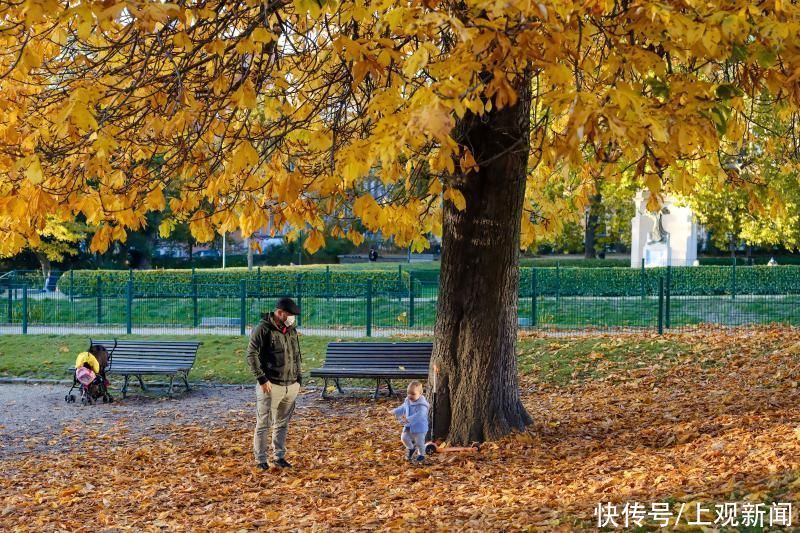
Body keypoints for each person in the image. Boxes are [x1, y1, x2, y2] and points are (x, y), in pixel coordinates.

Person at [246, 297, 302, 470]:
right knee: (264, 424)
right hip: (271, 385)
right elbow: (251, 354)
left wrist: (299, 379)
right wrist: (261, 378)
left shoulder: (291, 329)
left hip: (291, 384)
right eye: (290, 314)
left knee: (282, 424)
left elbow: (296, 353)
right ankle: (261, 460)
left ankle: (279, 456)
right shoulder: (263, 329)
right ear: (280, 313)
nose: (292, 318)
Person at [390, 381, 430, 463]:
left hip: (420, 427)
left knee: (419, 442)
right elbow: (403, 408)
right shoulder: (408, 400)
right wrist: (395, 411)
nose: (410, 396)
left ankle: (421, 454)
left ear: (420, 394)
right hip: (408, 425)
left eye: (413, 394)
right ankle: (411, 448)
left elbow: (420, 415)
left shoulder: (422, 405)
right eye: (408, 393)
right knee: (404, 438)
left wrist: (408, 419)